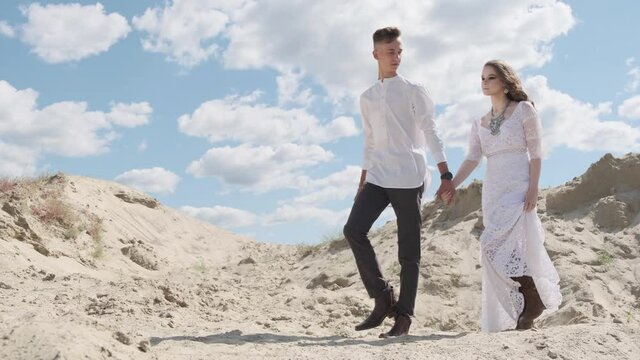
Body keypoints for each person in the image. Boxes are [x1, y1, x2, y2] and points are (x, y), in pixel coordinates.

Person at [343, 26, 455, 338]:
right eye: (390, 51)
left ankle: (403, 316)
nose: (397, 57)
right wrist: (363, 179)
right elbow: (369, 141)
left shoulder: (413, 90)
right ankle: (382, 297)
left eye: (400, 51)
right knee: (353, 230)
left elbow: (431, 131)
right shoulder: (366, 98)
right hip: (378, 175)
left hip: (409, 175)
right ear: (375, 53)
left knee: (409, 251)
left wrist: (445, 174)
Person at [444, 59, 562, 332]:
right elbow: (473, 159)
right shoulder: (480, 122)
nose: (485, 83)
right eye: (483, 78)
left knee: (504, 246)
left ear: (506, 81)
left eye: (491, 78)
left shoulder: (524, 110)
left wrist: (534, 188)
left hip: (519, 186)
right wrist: (451, 184)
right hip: (493, 190)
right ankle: (528, 301)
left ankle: (531, 300)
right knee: (493, 249)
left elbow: (536, 153)